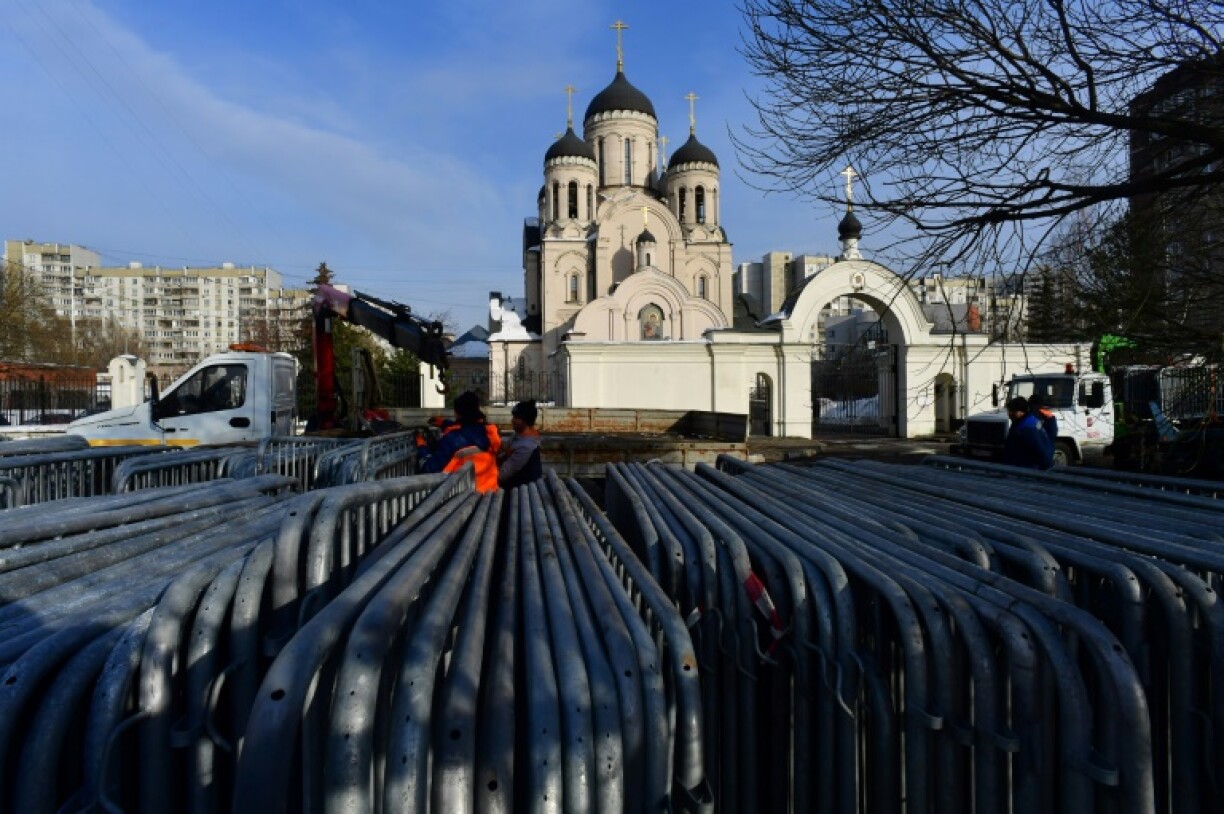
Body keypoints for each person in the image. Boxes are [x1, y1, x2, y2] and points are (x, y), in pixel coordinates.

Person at [419, 391, 501, 492]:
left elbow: (429, 469)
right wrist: (444, 423)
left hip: (462, 498)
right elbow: (469, 429)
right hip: (490, 492)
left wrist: (422, 447)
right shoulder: (490, 434)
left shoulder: (452, 439)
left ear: (458, 414)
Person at [498, 399, 543, 488]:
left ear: (526, 420)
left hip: (521, 494)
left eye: (516, 418)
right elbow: (503, 455)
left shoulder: (527, 446)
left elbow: (502, 475)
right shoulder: (517, 436)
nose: (512, 421)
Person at [1002, 396, 1054, 470]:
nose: (1009, 414)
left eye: (1013, 411)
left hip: (1026, 470)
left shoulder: (1027, 427)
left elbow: (1039, 450)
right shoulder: (1025, 421)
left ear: (1021, 411)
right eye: (1009, 411)